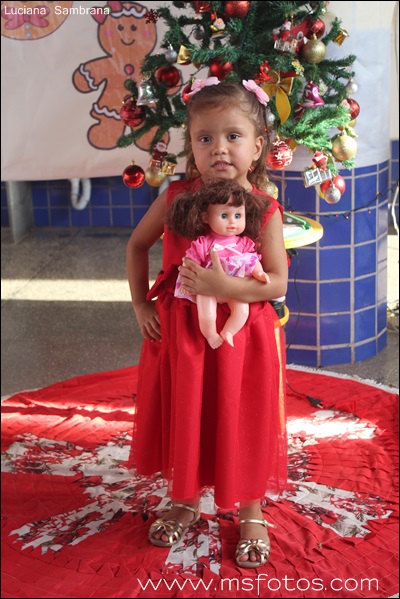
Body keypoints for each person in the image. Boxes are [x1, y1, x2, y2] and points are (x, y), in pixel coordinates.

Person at [126, 78, 288, 568]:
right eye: (205, 137)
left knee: (243, 413)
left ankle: (252, 509)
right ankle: (184, 498)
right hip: (182, 333)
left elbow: (277, 282)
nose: (219, 148)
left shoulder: (264, 209)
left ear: (257, 146)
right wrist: (141, 305)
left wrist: (224, 287)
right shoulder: (176, 197)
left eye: (233, 136)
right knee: (187, 409)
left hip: (243, 336)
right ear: (190, 146)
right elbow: (137, 245)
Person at [166, 179, 271, 349]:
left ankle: (229, 331)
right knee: (207, 314)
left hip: (235, 288)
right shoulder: (203, 243)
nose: (232, 222)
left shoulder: (243, 243)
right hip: (207, 288)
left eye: (238, 216)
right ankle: (210, 334)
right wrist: (187, 281)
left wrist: (259, 273)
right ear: (205, 217)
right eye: (224, 216)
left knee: (242, 311)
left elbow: (252, 261)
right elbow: (191, 264)